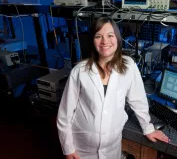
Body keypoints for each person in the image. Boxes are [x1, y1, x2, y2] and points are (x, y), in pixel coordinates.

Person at [57, 17, 169, 159]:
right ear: (92, 40)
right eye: (98, 36)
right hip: (81, 149)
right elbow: (64, 114)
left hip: (112, 149)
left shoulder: (129, 66)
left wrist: (148, 128)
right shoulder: (80, 71)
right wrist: (68, 148)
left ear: (117, 38)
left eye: (110, 35)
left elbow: (138, 100)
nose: (105, 41)